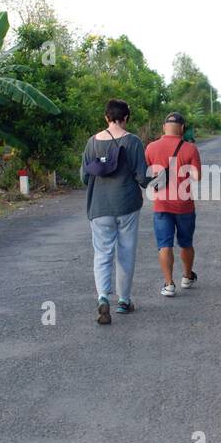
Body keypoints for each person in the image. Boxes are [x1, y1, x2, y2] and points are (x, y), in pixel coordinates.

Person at [80, 99, 150, 324]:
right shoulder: (134, 142)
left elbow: (84, 177)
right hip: (127, 205)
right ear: (126, 117)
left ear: (106, 117)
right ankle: (124, 301)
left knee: (102, 253)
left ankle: (102, 297)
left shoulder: (92, 142)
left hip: (99, 207)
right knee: (126, 252)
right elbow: (141, 177)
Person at [145, 111, 202, 296]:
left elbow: (148, 173)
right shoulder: (190, 149)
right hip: (184, 205)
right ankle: (186, 276)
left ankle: (169, 284)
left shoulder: (151, 147)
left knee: (164, 244)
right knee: (186, 243)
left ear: (164, 127)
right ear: (183, 128)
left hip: (161, 204)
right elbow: (197, 176)